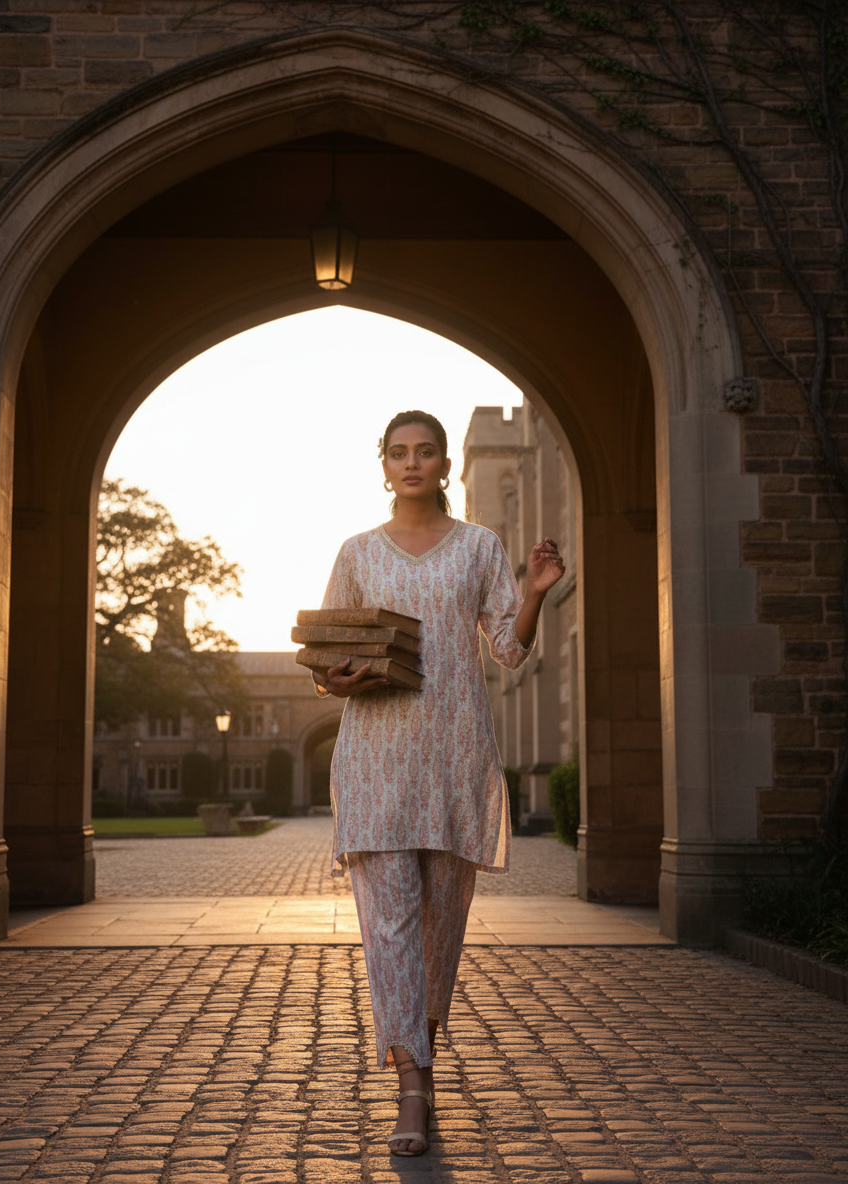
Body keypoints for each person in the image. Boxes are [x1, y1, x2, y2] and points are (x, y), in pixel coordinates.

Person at [311, 409, 565, 1156]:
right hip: (375, 762)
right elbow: (326, 663)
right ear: (384, 466)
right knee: (389, 930)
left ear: (445, 465)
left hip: (455, 760)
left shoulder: (481, 547)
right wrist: (338, 677)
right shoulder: (357, 552)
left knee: (438, 933)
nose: (412, 463)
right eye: (399, 453)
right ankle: (413, 1090)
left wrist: (535, 592)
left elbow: (507, 651)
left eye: (425, 452)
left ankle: (418, 1055)